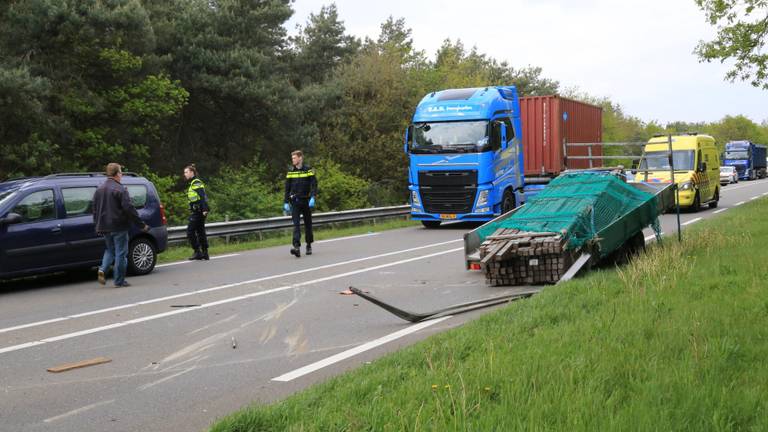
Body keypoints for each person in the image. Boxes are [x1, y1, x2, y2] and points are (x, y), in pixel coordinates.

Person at [93, 163, 149, 287]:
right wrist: (141, 225)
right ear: (117, 174)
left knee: (109, 250)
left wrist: (97, 225)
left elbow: (95, 210)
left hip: (104, 226)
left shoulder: (99, 189)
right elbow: (129, 209)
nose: (122, 174)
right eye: (121, 172)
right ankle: (119, 280)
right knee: (121, 253)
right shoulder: (120, 189)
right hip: (119, 226)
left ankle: (103, 269)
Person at [284, 150, 317, 257]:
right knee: (296, 225)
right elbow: (287, 188)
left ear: (300, 158)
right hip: (295, 202)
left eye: (294, 158)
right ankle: (296, 247)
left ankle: (308, 245)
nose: (293, 160)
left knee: (308, 224)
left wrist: (312, 197)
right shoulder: (290, 172)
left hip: (306, 202)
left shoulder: (308, 170)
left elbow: (314, 184)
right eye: (292, 158)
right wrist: (285, 202)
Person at [184, 164, 210, 260]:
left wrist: (204, 209)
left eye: (186, 172)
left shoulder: (196, 182)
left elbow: (202, 196)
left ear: (192, 172)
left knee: (190, 232)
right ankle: (205, 253)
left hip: (199, 212)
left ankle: (197, 252)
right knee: (200, 231)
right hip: (197, 211)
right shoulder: (192, 183)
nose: (185, 174)